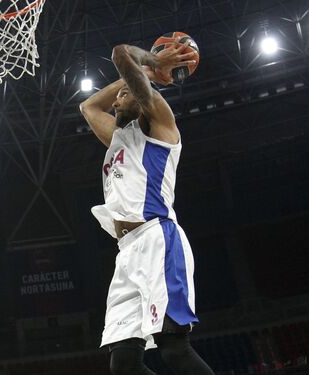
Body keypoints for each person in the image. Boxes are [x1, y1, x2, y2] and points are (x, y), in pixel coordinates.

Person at [79, 38, 215, 375]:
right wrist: (143, 71)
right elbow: (88, 107)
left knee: (174, 350)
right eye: (119, 94)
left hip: (158, 240)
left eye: (126, 93)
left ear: (143, 98)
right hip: (126, 252)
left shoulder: (159, 124)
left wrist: (149, 66)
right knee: (123, 364)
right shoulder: (117, 138)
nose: (117, 99)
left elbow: (120, 54)